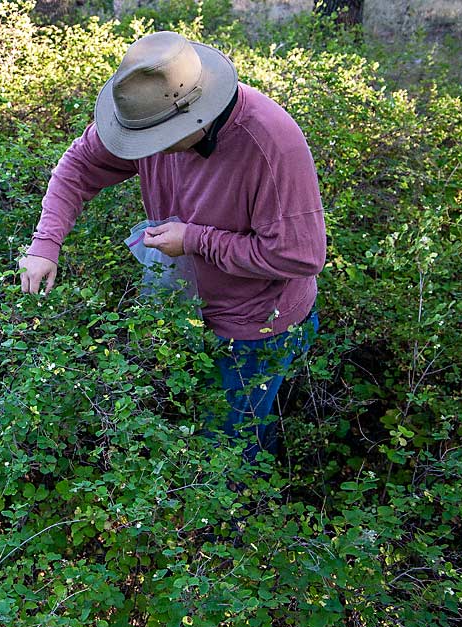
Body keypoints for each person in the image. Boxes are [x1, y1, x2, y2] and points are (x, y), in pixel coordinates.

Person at [17, 31, 326, 465]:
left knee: (233, 444)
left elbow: (301, 256)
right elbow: (78, 166)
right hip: (189, 308)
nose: (147, 153)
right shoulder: (149, 110)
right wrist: (45, 244)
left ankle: (241, 516)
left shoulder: (270, 144)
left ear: (196, 118)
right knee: (201, 418)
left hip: (256, 325)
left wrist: (196, 239)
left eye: (158, 140)